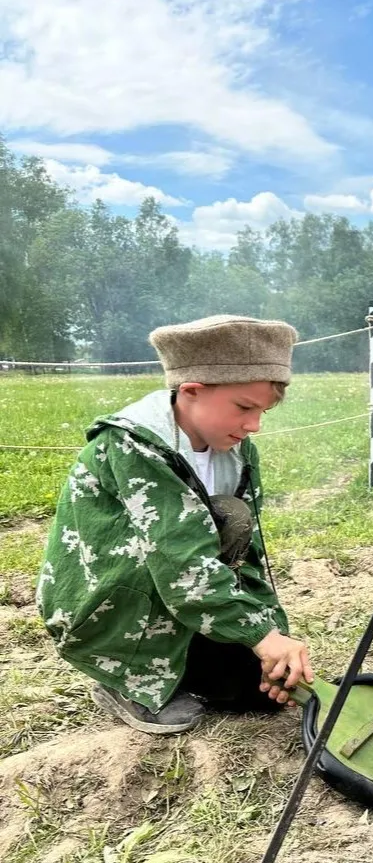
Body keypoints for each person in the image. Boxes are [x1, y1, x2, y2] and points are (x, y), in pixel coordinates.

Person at [36, 315, 314, 735]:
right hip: (113, 600)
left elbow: (247, 556)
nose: (254, 425)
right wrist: (261, 636)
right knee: (166, 560)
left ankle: (180, 655)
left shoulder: (237, 453)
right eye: (244, 408)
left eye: (263, 411)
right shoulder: (133, 447)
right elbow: (179, 560)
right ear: (191, 391)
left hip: (180, 592)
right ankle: (125, 677)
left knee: (254, 692)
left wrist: (271, 635)